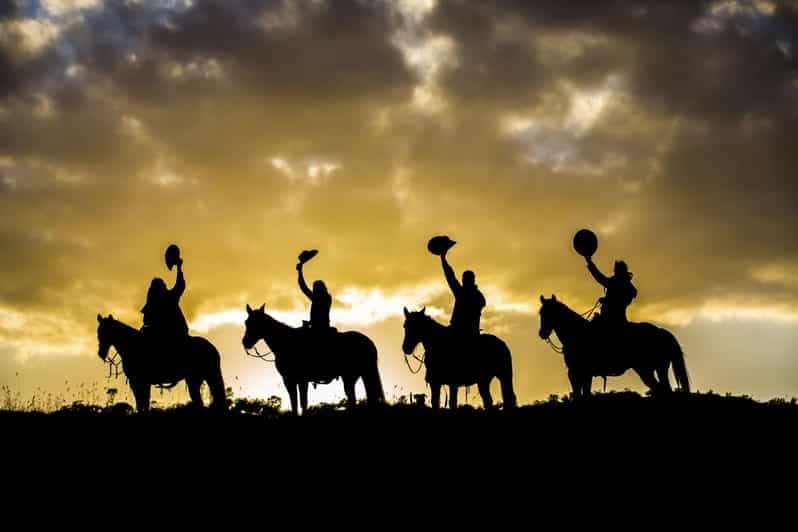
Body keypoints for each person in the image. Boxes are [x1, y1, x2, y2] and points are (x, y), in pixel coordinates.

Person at [141, 257, 189, 353]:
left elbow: (180, 285)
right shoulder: (152, 305)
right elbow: (146, 321)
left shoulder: (169, 298)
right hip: (160, 335)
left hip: (176, 334)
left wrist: (179, 268)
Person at [440, 249, 485, 336]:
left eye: (465, 279)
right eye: (463, 279)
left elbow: (450, 276)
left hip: (467, 332)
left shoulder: (467, 294)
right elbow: (450, 276)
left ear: (472, 280)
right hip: (460, 329)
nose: (463, 281)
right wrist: (443, 259)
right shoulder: (463, 292)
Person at [586, 257, 637, 325]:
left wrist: (606, 300)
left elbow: (600, 277)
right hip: (613, 317)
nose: (615, 272)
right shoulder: (619, 283)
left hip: (613, 319)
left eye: (616, 270)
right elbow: (599, 277)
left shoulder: (619, 283)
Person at [297, 260, 332, 331]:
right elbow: (304, 287)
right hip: (318, 326)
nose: (314, 290)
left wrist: (300, 272)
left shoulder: (321, 298)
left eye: (316, 288)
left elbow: (304, 287)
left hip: (320, 328)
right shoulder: (323, 298)